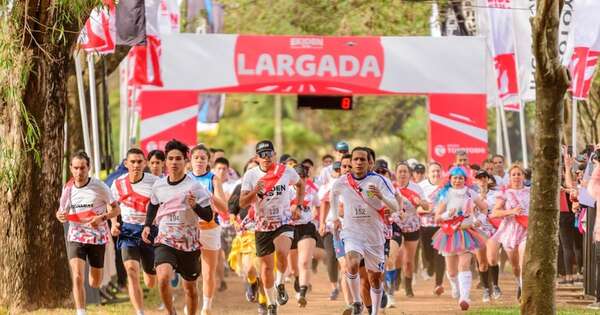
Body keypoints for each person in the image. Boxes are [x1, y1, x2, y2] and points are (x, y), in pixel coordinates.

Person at [141, 139, 214, 315]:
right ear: (166, 161)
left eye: (178, 159)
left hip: (188, 242)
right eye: (171, 158)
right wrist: (147, 225)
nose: (174, 162)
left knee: (190, 288)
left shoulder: (194, 186)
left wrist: (195, 206)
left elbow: (209, 215)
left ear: (185, 161)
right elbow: (153, 204)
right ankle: (170, 311)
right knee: (164, 278)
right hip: (165, 239)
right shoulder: (159, 185)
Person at [330, 147, 400, 315]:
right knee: (352, 263)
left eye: (363, 159)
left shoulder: (380, 181)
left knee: (374, 278)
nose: (359, 162)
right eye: (356, 159)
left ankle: (374, 312)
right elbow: (332, 195)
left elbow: (396, 207)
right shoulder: (342, 181)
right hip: (352, 232)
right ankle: (356, 302)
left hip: (374, 236)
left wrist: (381, 197)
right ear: (351, 162)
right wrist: (334, 218)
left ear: (370, 163)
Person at [240, 140, 306, 315]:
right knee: (266, 268)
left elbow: (300, 185)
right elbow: (242, 202)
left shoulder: (286, 171)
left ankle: (280, 283)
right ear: (257, 157)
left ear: (274, 154)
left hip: (284, 221)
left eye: (269, 153)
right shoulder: (251, 175)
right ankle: (271, 304)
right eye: (262, 154)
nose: (266, 157)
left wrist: (298, 206)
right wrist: (255, 191)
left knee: (283, 253)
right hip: (262, 226)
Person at [56, 151, 121, 315]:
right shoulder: (68, 188)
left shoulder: (100, 186)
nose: (79, 172)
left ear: (88, 168)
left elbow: (116, 209)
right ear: (71, 168)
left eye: (82, 168)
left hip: (97, 238)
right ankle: (81, 312)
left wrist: (102, 218)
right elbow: (61, 212)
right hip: (76, 236)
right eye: (76, 168)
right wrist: (60, 216)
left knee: (94, 282)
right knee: (77, 276)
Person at [111, 148, 160, 315]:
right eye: (132, 162)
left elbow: (164, 205)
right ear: (126, 163)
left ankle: (150, 272)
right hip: (128, 232)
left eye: (139, 161)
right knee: (131, 272)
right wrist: (113, 224)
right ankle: (140, 312)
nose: (136, 165)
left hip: (149, 232)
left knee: (150, 280)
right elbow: (112, 207)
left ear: (144, 163)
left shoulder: (155, 182)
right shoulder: (118, 183)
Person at [432, 166, 488, 311]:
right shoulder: (446, 194)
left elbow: (484, 208)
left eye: (461, 178)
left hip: (467, 233)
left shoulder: (471, 193)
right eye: (455, 178)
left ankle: (464, 297)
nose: (457, 180)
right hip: (449, 234)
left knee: (464, 265)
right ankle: (455, 287)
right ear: (450, 179)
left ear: (465, 179)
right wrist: (446, 215)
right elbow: (437, 217)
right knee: (451, 271)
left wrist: (480, 220)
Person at [189, 144, 229, 314]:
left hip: (210, 228)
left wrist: (208, 194)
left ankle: (206, 306)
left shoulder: (213, 179)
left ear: (208, 161)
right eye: (196, 158)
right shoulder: (184, 178)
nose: (199, 161)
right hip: (189, 229)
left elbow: (224, 207)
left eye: (202, 158)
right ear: (190, 160)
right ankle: (190, 303)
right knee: (189, 272)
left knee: (207, 272)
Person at [489, 164, 530, 301]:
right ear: (510, 177)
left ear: (523, 176)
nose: (517, 177)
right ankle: (519, 283)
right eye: (514, 174)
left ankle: (525, 293)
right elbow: (494, 213)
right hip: (510, 231)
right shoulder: (504, 193)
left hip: (526, 230)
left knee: (523, 261)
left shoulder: (531, 192)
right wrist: (511, 212)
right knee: (515, 266)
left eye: (519, 174)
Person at [288, 163, 321, 307]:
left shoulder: (312, 191)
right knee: (294, 267)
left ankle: (302, 292)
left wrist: (316, 214)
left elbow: (319, 206)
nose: (300, 179)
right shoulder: (286, 191)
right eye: (298, 176)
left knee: (304, 262)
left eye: (303, 176)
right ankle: (297, 279)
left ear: (307, 178)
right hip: (288, 228)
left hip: (307, 227)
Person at [392, 162, 427, 298]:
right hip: (395, 224)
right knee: (397, 255)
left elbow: (425, 206)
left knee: (408, 260)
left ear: (409, 173)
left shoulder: (416, 188)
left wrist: (421, 203)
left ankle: (408, 286)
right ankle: (396, 279)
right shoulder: (391, 186)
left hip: (412, 225)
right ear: (395, 173)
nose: (402, 174)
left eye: (405, 171)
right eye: (400, 171)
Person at [418, 161, 446, 296]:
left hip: (441, 226)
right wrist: (427, 209)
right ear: (428, 173)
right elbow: (415, 207)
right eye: (433, 171)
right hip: (425, 226)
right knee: (429, 256)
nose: (436, 173)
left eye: (438, 171)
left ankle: (438, 284)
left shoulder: (446, 187)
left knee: (440, 255)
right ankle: (429, 266)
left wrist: (442, 212)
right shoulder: (420, 187)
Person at [473, 170, 497, 303]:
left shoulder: (496, 194)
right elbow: (469, 211)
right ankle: (486, 289)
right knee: (482, 263)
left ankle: (495, 285)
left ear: (488, 180)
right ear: (476, 181)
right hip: (478, 230)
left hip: (493, 230)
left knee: (491, 259)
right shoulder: (472, 195)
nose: (482, 180)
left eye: (484, 178)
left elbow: (497, 209)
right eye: (479, 178)